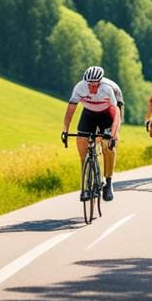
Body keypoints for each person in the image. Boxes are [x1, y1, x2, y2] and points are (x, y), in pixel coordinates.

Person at [61, 65, 122, 201]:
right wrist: (65, 130)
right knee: (81, 140)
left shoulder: (107, 88)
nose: (93, 88)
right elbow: (71, 109)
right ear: (85, 82)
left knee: (107, 145)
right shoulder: (79, 87)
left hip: (106, 114)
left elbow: (116, 112)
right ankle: (86, 184)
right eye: (90, 85)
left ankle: (108, 182)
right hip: (88, 114)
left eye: (96, 85)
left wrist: (113, 133)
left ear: (100, 82)